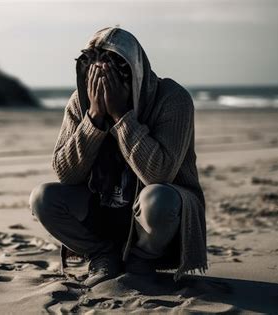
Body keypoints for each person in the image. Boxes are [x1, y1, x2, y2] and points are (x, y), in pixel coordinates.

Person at [29, 26, 207, 287]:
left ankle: (141, 260)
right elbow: (66, 173)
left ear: (136, 75)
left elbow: (158, 174)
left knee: (159, 198)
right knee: (43, 198)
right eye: (97, 77)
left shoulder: (173, 99)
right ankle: (102, 255)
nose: (104, 86)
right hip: (100, 211)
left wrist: (121, 116)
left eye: (114, 78)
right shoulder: (80, 102)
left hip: (155, 221)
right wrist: (94, 118)